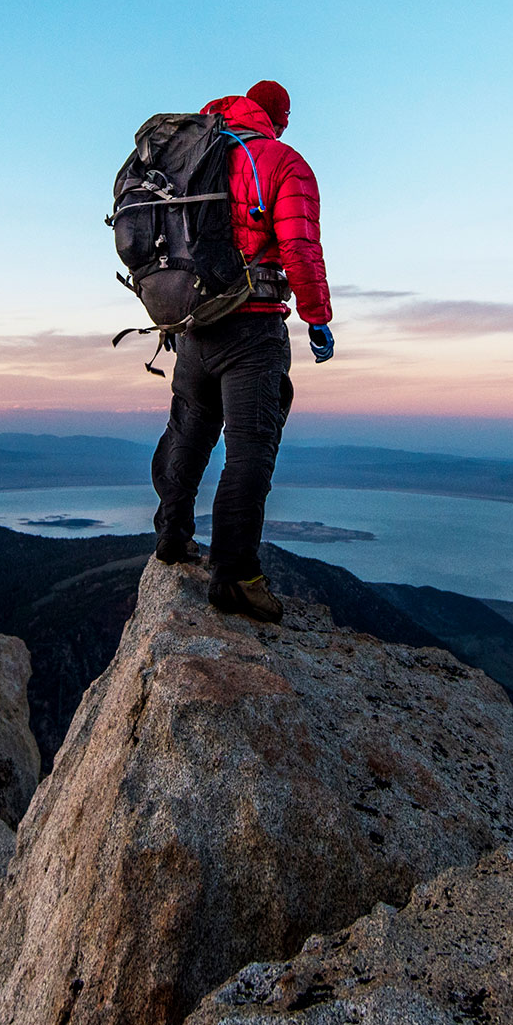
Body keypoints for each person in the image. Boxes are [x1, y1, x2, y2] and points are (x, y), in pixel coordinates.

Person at [151, 78, 334, 624]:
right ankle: (235, 577)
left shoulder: (196, 154)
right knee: (250, 450)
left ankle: (171, 537)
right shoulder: (281, 161)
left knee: (188, 429)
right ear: (276, 114)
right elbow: (299, 247)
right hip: (252, 329)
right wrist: (318, 319)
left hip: (193, 325)